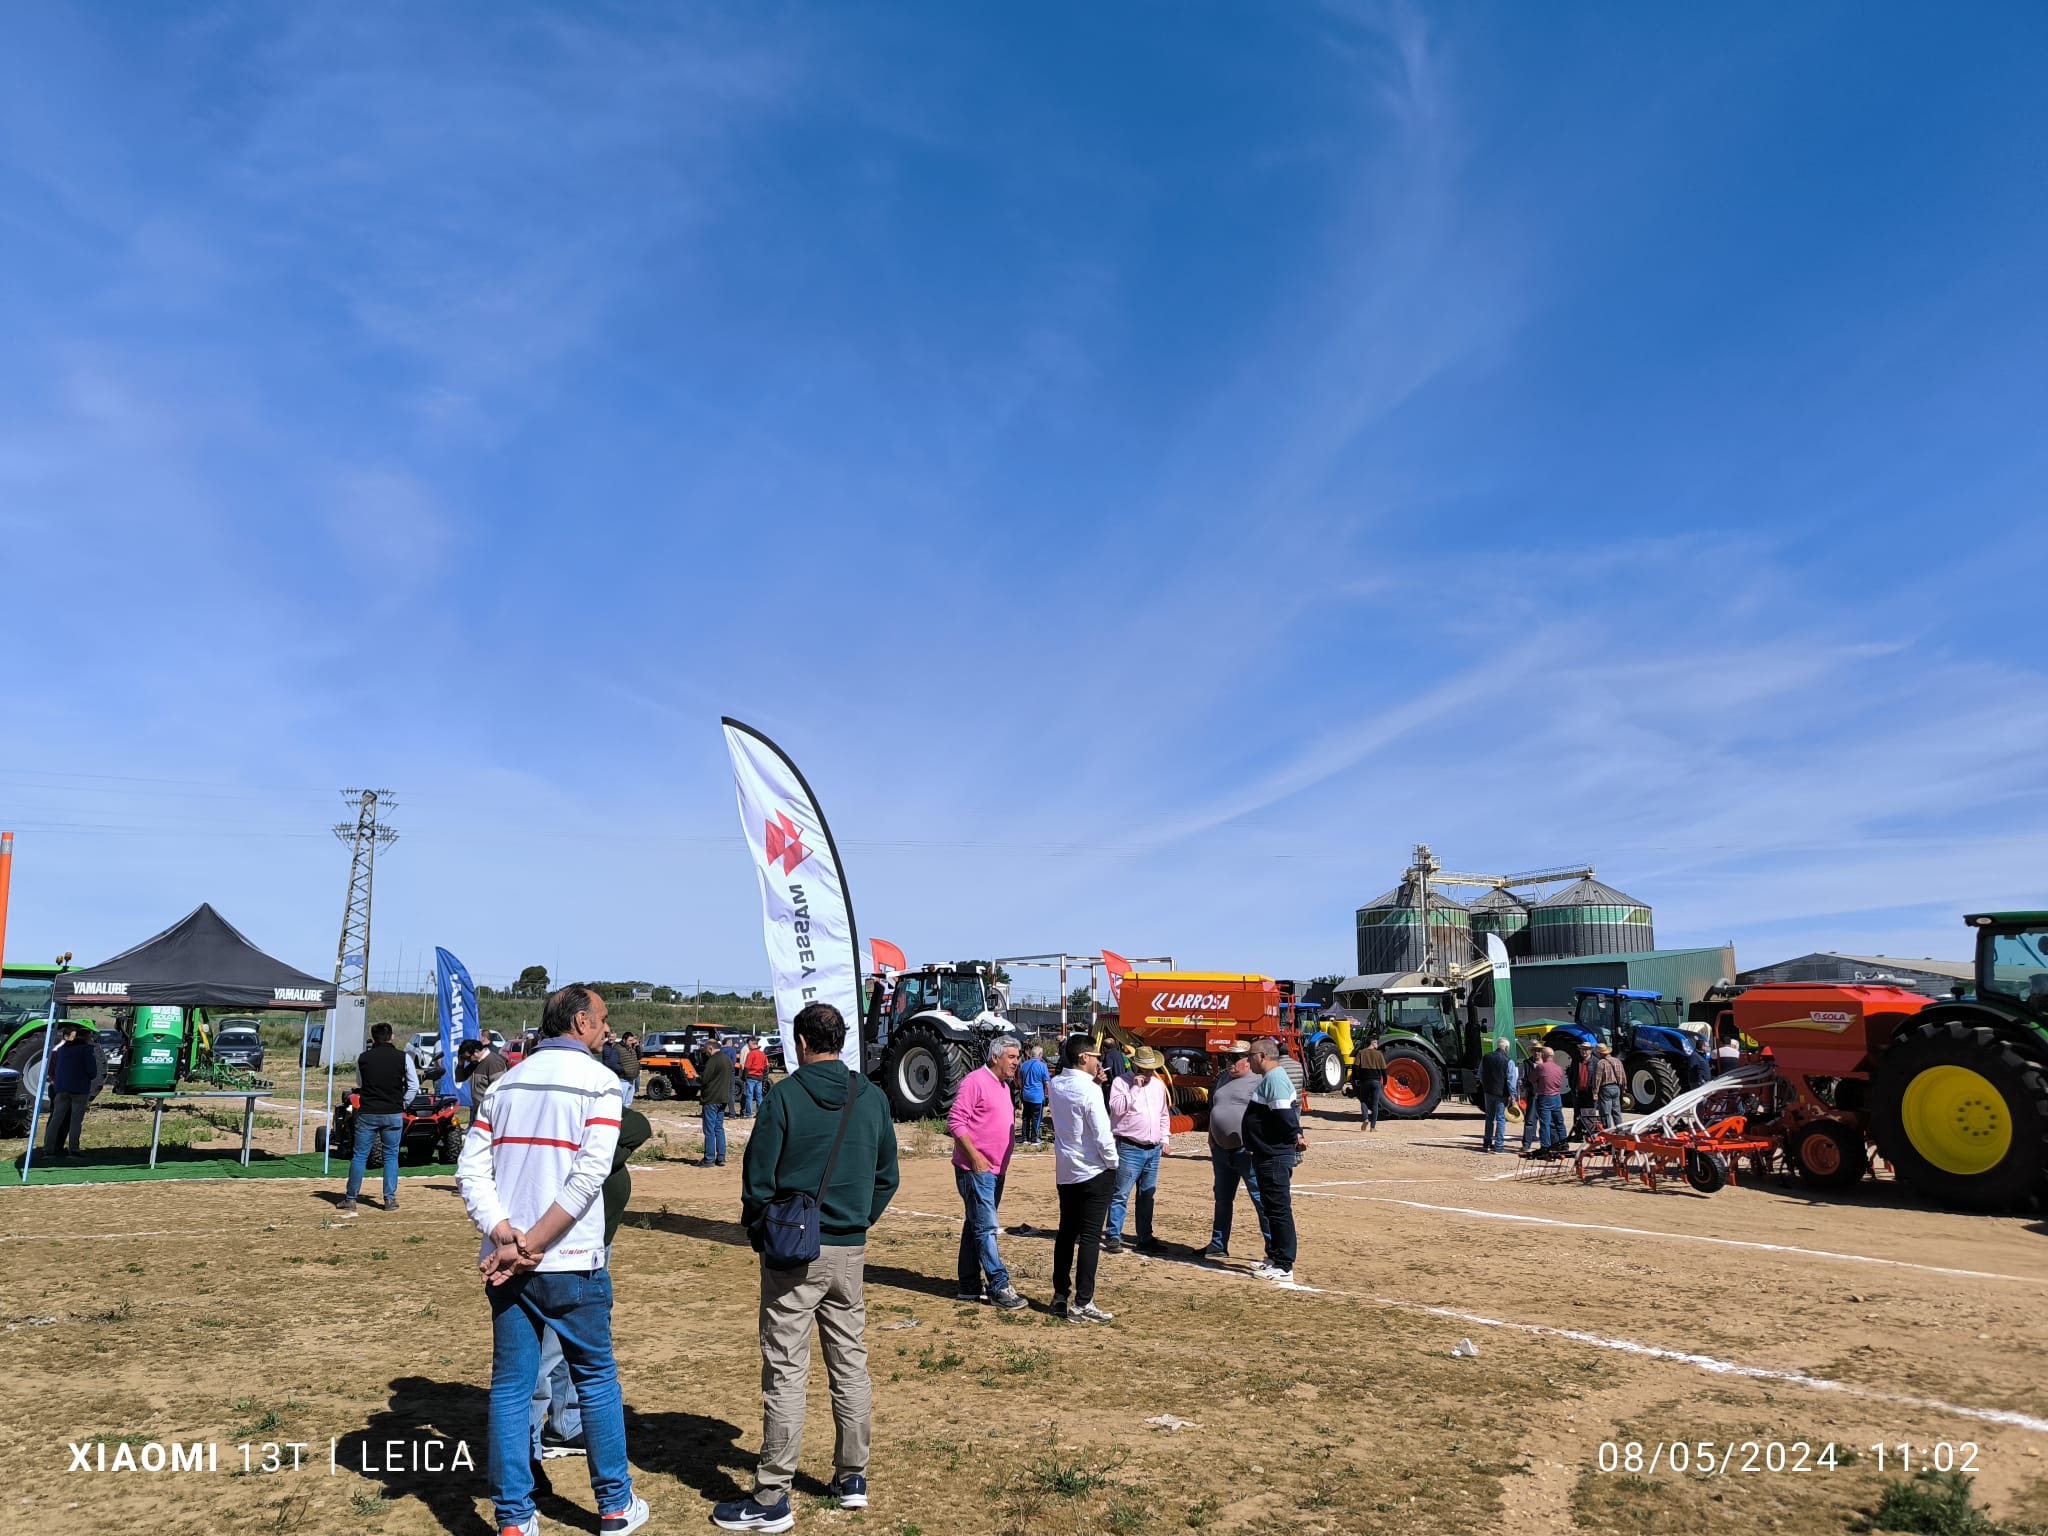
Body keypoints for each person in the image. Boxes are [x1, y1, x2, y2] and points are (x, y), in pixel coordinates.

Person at [455, 983, 646, 1536]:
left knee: (512, 1388)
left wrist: (502, 1234)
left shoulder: (504, 1084)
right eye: (603, 1019)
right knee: (596, 1380)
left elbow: (471, 1171)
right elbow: (590, 1176)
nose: (608, 1029)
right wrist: (532, 1242)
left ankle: (514, 1517)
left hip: (509, 1263)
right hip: (571, 1261)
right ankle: (614, 1506)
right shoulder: (601, 1084)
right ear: (581, 1023)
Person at [717, 1001, 899, 1533]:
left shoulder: (785, 1096)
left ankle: (773, 1494)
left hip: (793, 1252)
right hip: (849, 1252)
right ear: (840, 1040)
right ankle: (852, 1478)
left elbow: (757, 1180)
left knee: (786, 1368)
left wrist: (760, 1231)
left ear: (800, 1043)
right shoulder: (872, 1098)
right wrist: (859, 1220)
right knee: (850, 1362)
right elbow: (887, 1175)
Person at [531, 1104, 652, 1466]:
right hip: (562, 1244)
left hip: (595, 1242)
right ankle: (528, 1447)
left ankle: (566, 1424)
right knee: (547, 1347)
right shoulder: (545, 1113)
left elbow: (638, 1126)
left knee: (575, 1341)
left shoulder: (593, 1100)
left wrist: (601, 1158)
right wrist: (596, 1164)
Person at [949, 1035, 1026, 1309]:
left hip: (995, 1170)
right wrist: (975, 1158)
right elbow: (956, 1122)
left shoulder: (1004, 1086)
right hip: (976, 1169)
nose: (1016, 1062)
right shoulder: (974, 1081)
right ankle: (998, 1284)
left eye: (1017, 1058)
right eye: (1012, 1057)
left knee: (976, 1225)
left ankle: (969, 1286)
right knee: (985, 1227)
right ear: (995, 1057)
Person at [1047, 1033, 1118, 1322]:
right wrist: (1113, 1162)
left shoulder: (1056, 1084)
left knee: (1066, 1233)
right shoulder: (1088, 1090)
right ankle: (1083, 1301)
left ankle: (1060, 1295)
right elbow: (1101, 1132)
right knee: (1089, 1237)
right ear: (1084, 1058)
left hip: (1067, 1170)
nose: (1100, 1061)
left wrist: (1095, 1084)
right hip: (1093, 1170)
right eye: (1096, 1057)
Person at [1244, 1039, 1306, 1283]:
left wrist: (1295, 1136)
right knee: (1271, 1208)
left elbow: (1284, 1114)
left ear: (1261, 1056)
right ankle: (1274, 1256)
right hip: (1266, 1153)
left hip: (1274, 1155)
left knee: (1279, 1209)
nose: (1248, 1060)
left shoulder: (1275, 1079)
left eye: (1250, 1056)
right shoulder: (1270, 1078)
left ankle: (1284, 1265)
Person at [342, 1022, 419, 1216]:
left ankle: (351, 1199)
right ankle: (389, 1199)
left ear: (373, 1038)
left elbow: (359, 1083)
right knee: (391, 1156)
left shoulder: (364, 1058)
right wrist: (403, 1104)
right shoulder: (404, 1057)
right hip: (393, 1112)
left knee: (360, 1155)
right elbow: (413, 1085)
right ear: (391, 1036)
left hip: (368, 1112)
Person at [1202, 1040, 1270, 1258]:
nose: (1229, 1063)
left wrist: (1256, 1143)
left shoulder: (1258, 1081)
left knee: (1260, 1199)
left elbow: (1265, 1115)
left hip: (1245, 1151)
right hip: (1221, 1150)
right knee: (1222, 1199)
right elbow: (1216, 1107)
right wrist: (1212, 1135)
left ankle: (1273, 1249)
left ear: (1248, 1060)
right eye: (1226, 1058)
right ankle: (1218, 1244)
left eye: (1234, 1058)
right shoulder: (1223, 1079)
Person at [1102, 1046, 1169, 1255]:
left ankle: (1145, 1236)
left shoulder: (1158, 1086)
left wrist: (1165, 1138)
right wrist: (1135, 1089)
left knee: (1147, 1195)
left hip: (1153, 1148)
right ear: (1137, 1066)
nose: (1149, 1073)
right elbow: (1117, 1109)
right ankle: (1114, 1234)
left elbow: (1163, 1114)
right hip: (1130, 1146)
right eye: (1146, 1069)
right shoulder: (1121, 1082)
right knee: (1121, 1193)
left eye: (1152, 1069)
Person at [41, 1022, 99, 1160]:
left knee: (55, 1119)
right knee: (75, 1121)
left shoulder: (61, 1050)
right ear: (86, 1038)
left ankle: (48, 1149)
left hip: (61, 1089)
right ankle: (74, 1150)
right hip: (79, 1089)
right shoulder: (86, 1050)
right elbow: (92, 1072)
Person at [1523, 1047, 1568, 1158]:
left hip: (1545, 1097)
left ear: (1544, 1055)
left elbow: (1531, 1079)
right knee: (1559, 1122)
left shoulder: (1541, 1067)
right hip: (1557, 1096)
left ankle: (1545, 1146)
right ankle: (1564, 1144)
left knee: (1545, 1124)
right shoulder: (1558, 1068)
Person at [457, 1037, 511, 1128]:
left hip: (491, 1115)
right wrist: (460, 1064)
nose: (467, 1061)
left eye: (467, 1058)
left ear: (476, 1052)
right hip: (479, 1112)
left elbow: (500, 1091)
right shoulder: (475, 1063)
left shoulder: (494, 1062)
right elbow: (459, 1078)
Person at [697, 1037, 734, 1167]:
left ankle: (709, 1158)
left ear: (711, 1048)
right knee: (719, 1128)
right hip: (723, 1098)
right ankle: (721, 1157)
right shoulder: (727, 1059)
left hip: (712, 1098)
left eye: (706, 1050)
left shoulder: (713, 1060)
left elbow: (705, 1078)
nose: (706, 1053)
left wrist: (697, 1078)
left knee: (709, 1129)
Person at [1476, 1036, 1513, 1153]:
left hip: (1488, 1091)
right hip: (1501, 1093)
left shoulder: (1486, 1057)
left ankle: (1487, 1143)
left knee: (1489, 1117)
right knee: (1501, 1119)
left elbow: (1480, 1074)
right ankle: (1499, 1145)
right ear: (1506, 1047)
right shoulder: (1508, 1061)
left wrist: (1486, 1085)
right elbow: (1510, 1080)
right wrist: (1513, 1095)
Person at [1350, 1035, 1388, 1130]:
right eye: (1376, 1042)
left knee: (1364, 1101)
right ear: (1373, 1043)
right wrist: (1385, 1081)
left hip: (1364, 1081)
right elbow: (1384, 1069)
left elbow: (1355, 1067)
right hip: (1376, 1081)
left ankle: (1365, 1118)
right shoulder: (1379, 1054)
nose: (1377, 1044)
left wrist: (1356, 1079)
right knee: (1375, 1104)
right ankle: (1373, 1127)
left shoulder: (1361, 1053)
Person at [1018, 1041, 1051, 1146]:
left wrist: (1023, 1089)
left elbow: (1020, 1081)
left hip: (1026, 1094)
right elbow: (1047, 1082)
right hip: (1037, 1095)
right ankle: (1035, 1138)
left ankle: (1024, 1137)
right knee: (1036, 1117)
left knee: (1026, 1116)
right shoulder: (1042, 1066)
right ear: (1040, 1055)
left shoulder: (1023, 1065)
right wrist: (1049, 1094)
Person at [1592, 1043, 1627, 1130]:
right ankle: (1620, 1130)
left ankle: (1607, 1131)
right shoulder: (1618, 1061)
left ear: (1600, 1053)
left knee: (1605, 1112)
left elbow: (1597, 1079)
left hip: (1605, 1089)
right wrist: (1624, 1088)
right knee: (1617, 1111)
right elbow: (1623, 1076)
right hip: (1616, 1088)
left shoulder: (1601, 1063)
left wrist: (1595, 1092)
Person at [1569, 1043, 1597, 1140]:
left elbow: (1597, 1078)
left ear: (1590, 1050)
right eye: (1582, 1049)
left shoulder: (1595, 1062)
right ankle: (1578, 1134)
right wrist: (1572, 1087)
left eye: (1586, 1049)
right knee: (1577, 1113)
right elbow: (1571, 1074)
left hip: (1590, 1092)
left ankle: (1590, 1134)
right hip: (1578, 1091)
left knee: (1590, 1113)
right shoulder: (1576, 1061)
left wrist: (1596, 1091)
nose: (1583, 1051)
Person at [743, 1037, 770, 1118]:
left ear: (751, 1044)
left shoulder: (751, 1054)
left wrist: (744, 1077)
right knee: (759, 1096)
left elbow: (747, 1067)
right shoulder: (763, 1054)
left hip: (751, 1077)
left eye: (748, 1044)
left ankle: (749, 1113)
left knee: (749, 1096)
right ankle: (761, 1113)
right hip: (759, 1078)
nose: (748, 1046)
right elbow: (766, 1067)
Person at [612, 1033, 641, 1109]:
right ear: (624, 1040)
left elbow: (639, 1057)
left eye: (632, 1040)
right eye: (630, 1040)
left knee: (628, 1103)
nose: (632, 1042)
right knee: (620, 1103)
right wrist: (623, 1070)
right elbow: (613, 1063)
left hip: (632, 1079)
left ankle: (625, 1118)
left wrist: (637, 1046)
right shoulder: (617, 1048)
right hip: (623, 1079)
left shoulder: (632, 1048)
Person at [1099, 1037, 1127, 1103]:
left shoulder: (1108, 1056)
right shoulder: (1120, 1054)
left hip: (1111, 1087)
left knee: (1109, 1107)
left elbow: (1107, 1070)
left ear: (1104, 1048)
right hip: (1121, 1084)